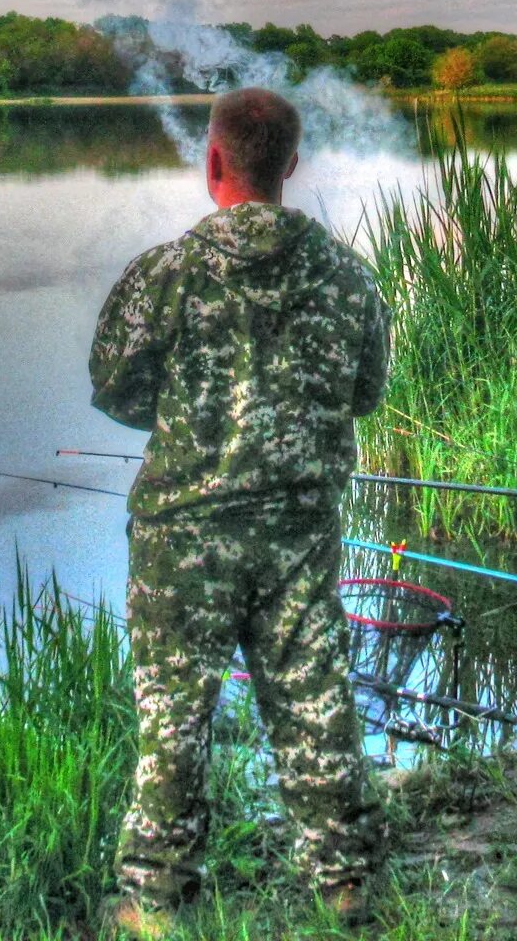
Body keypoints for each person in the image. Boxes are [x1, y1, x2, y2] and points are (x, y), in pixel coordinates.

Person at [89, 87, 389, 937]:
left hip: (184, 537)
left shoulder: (165, 273)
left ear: (213, 162)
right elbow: (365, 393)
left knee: (173, 716)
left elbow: (114, 387)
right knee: (314, 698)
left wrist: (191, 415)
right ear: (290, 166)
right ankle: (344, 883)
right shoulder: (349, 277)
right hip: (299, 532)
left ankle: (154, 901)